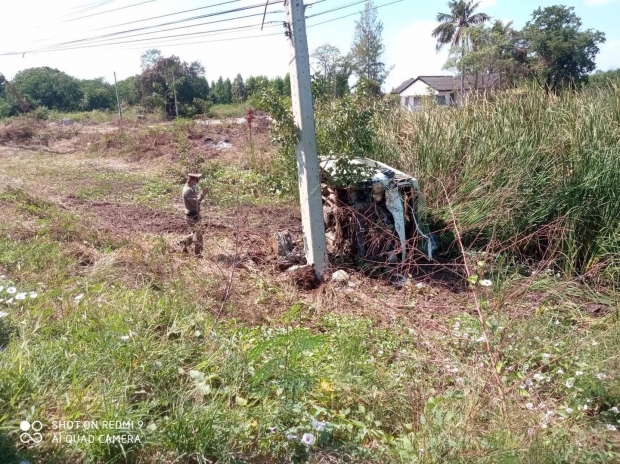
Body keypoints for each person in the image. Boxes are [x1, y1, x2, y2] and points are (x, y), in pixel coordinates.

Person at [179, 173, 208, 256]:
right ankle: (198, 254)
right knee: (198, 234)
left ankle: (183, 242)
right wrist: (203, 194)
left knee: (198, 232)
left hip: (193, 215)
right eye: (196, 181)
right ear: (192, 181)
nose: (197, 183)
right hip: (192, 216)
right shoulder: (188, 190)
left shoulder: (190, 188)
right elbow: (196, 202)